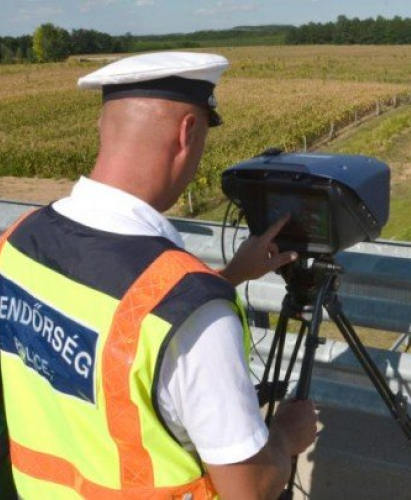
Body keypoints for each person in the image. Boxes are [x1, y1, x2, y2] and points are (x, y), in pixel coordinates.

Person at [0, 52, 317, 499]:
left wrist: (227, 277)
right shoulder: (194, 315)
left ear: (103, 128)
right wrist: (286, 435)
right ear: (187, 132)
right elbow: (249, 490)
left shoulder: (17, 241)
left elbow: (115, 333)